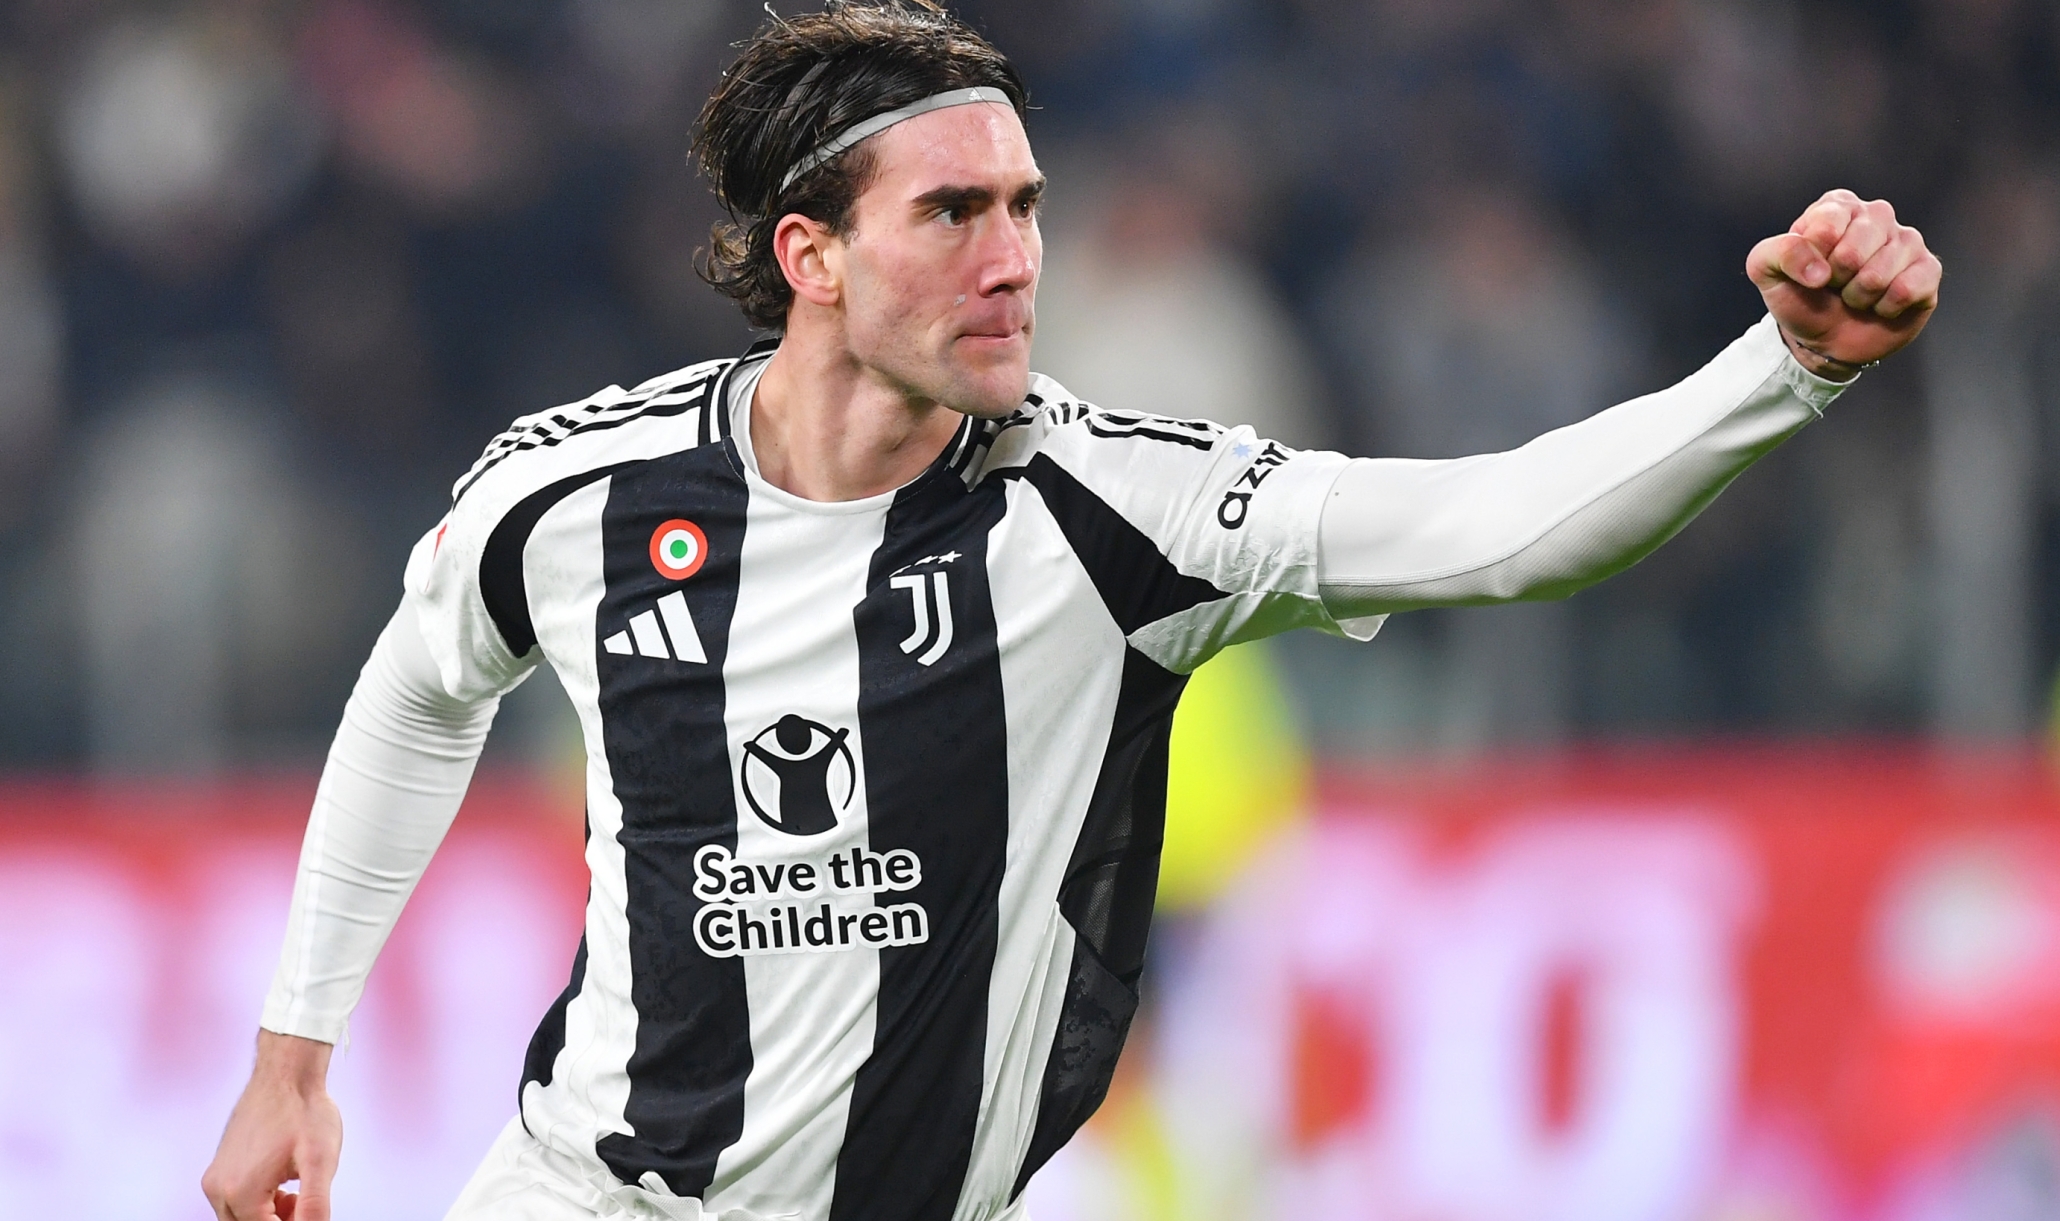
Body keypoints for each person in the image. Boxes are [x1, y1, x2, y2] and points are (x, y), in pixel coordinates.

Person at [201, 3, 1942, 1218]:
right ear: (812, 258)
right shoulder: (575, 492)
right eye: (953, 212)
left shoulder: (1113, 507)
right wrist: (295, 1055)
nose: (1015, 255)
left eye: (1026, 207)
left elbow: (1504, 531)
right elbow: (420, 686)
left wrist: (1782, 372)